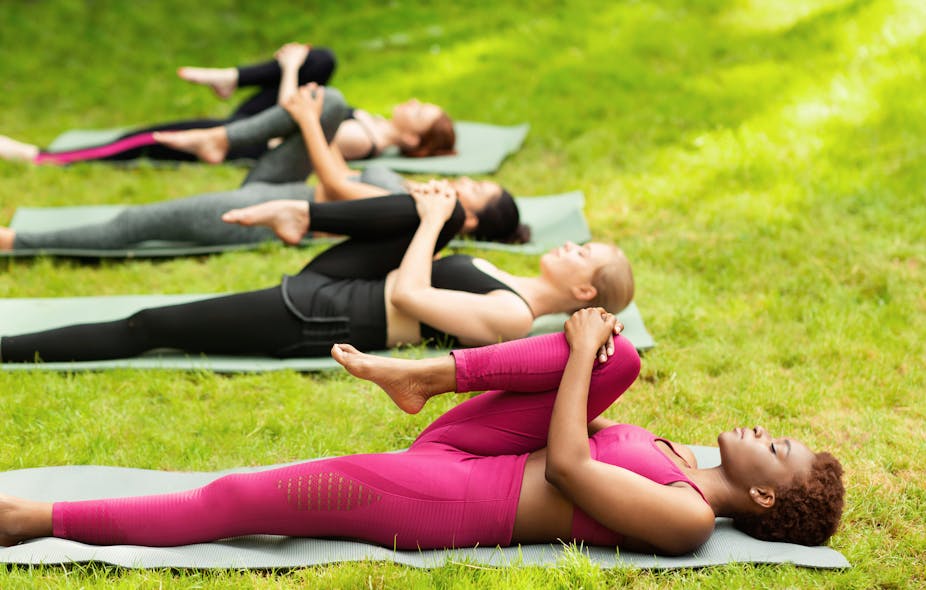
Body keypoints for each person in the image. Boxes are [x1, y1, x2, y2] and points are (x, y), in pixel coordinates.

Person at [0, 310, 845, 553]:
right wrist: (592, 355)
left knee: (238, 500)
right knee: (617, 358)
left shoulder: (691, 518)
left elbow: (566, 467)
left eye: (777, 447)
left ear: (765, 492)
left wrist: (580, 355)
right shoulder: (676, 457)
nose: (765, 429)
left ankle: (37, 519)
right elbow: (570, 403)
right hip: (473, 447)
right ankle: (424, 377)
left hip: (448, 496)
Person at [0, 167, 632, 363]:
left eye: (585, 253)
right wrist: (435, 218)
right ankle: (299, 214)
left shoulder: (512, 317)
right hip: (343, 282)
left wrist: (436, 225)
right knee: (437, 207)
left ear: (581, 289)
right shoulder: (507, 278)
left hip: (322, 314)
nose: (573, 244)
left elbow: (411, 295)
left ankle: (8, 348)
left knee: (148, 326)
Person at [0, 85, 526, 252]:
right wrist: (311, 118)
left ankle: (13, 242)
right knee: (333, 99)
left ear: (472, 220)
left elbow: (337, 187)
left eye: (474, 189)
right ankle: (222, 139)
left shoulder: (423, 215)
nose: (463, 182)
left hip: (264, 214)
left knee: (135, 224)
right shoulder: (420, 192)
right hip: (282, 185)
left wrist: (307, 124)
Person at [0, 43, 454, 166]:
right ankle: (230, 78)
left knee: (148, 138)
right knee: (325, 58)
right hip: (264, 117)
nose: (412, 101)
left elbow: (283, 127)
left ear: (413, 138)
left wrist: (292, 70)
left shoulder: (359, 139)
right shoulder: (372, 124)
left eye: (420, 110)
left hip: (250, 138)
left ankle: (40, 158)